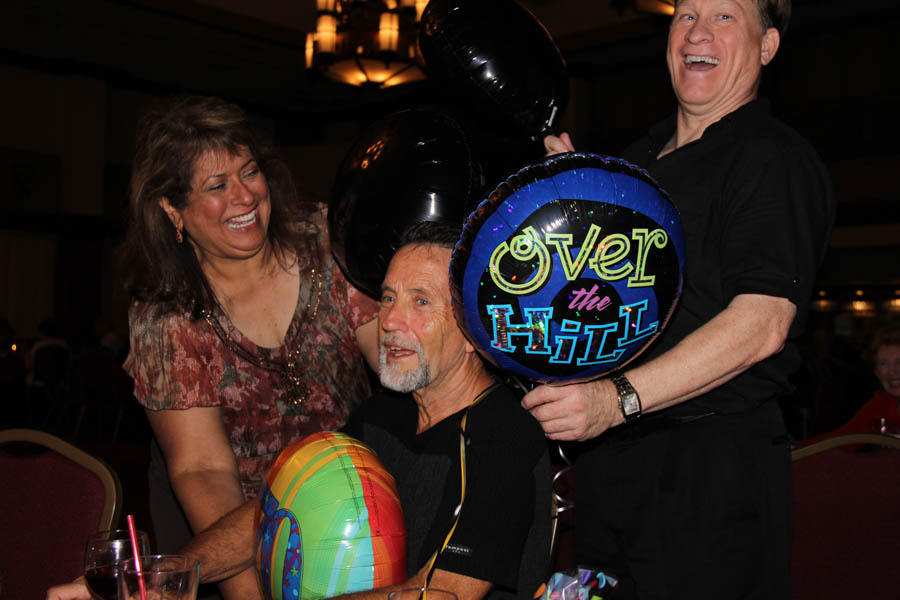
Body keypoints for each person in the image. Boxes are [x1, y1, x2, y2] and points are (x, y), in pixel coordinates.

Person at [46, 223, 551, 600]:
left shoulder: (503, 435)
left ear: (475, 332)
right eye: (389, 297)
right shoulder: (380, 417)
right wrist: (164, 577)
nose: (391, 320)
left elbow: (439, 595)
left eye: (421, 302)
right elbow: (273, 513)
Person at [524, 0, 835, 597]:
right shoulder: (634, 163)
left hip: (709, 474)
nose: (698, 31)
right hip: (611, 459)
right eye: (686, 13)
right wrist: (573, 209)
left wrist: (617, 400)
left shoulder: (770, 157)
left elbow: (761, 322)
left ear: (767, 46)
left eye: (725, 17)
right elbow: (601, 301)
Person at [118, 95, 379, 598]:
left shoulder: (324, 241)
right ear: (173, 209)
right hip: (241, 533)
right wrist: (250, 593)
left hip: (358, 506)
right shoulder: (166, 314)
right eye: (217, 186)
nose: (245, 196)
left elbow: (393, 371)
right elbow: (203, 470)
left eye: (250, 171)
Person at [802, 320, 900, 440]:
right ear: (876, 371)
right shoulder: (882, 403)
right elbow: (842, 439)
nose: (892, 371)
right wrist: (792, 451)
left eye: (899, 362)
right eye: (883, 363)